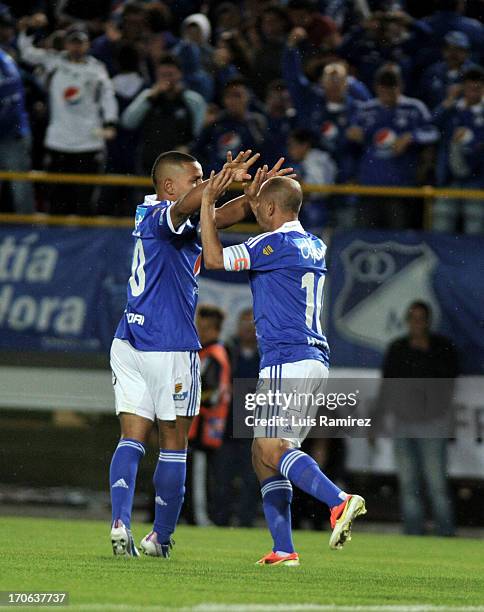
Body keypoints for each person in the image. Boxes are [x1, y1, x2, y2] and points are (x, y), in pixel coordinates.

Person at [108, 150, 294, 558]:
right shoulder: (163, 215)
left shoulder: (160, 217)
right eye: (194, 179)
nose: (202, 183)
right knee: (174, 443)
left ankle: (120, 521)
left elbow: (216, 216)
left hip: (129, 341)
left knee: (132, 437)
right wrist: (214, 186)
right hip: (168, 344)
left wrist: (250, 198)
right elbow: (193, 205)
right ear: (169, 187)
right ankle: (160, 537)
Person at [199, 166, 366, 566]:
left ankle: (339, 501)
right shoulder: (314, 244)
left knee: (273, 448)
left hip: (286, 360)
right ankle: (283, 548)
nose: (256, 213)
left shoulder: (271, 246)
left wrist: (208, 203)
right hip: (313, 361)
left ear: (272, 207)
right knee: (263, 453)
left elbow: (214, 257)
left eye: (260, 207)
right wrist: (253, 199)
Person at [18, 21, 118, 215]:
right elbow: (26, 53)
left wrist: (110, 123)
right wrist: (28, 30)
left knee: (85, 201)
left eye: (80, 42)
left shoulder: (97, 69)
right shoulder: (53, 62)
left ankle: (86, 244)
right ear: (66, 44)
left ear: (87, 44)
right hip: (59, 141)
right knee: (57, 200)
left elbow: (108, 96)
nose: (76, 47)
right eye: (73, 42)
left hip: (88, 143)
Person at [381, 301, 458, 536]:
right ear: (407, 320)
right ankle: (413, 535)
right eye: (412, 317)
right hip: (403, 421)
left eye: (421, 318)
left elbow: (449, 382)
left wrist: (423, 352)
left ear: (428, 321)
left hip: (433, 422)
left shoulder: (441, 347)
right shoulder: (397, 348)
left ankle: (445, 534)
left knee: (436, 483)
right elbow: (386, 386)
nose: (416, 322)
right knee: (408, 484)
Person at [346, 65, 438, 228]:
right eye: (384, 88)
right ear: (376, 88)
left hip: (400, 189)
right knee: (365, 236)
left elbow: (433, 133)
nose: (388, 93)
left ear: (400, 86)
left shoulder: (414, 108)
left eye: (392, 87)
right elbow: (350, 138)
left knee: (398, 236)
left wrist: (411, 136)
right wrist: (353, 134)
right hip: (369, 187)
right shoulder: (366, 110)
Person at [212, 307, 260, 527]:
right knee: (222, 480)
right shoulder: (226, 351)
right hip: (227, 426)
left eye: (253, 324)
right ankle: (219, 521)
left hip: (254, 426)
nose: (248, 329)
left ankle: (245, 522)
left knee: (252, 480)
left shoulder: (267, 354)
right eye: (244, 323)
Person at [121, 54, 206, 175]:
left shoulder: (193, 100)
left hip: (181, 167)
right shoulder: (148, 96)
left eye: (170, 75)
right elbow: (128, 122)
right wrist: (150, 98)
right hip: (150, 165)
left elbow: (200, 134)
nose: (167, 79)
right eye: (162, 75)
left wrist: (188, 148)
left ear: (179, 75)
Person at [187, 305, 231, 526]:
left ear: (213, 328)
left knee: (199, 476)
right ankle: (194, 515)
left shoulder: (213, 355)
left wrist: (183, 399)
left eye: (202, 327)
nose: (198, 331)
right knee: (198, 474)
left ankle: (202, 518)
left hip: (203, 427)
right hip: (202, 427)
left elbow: (213, 394)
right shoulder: (206, 353)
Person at [432, 66, 484, 235]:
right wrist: (447, 102)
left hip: (477, 181)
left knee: (475, 231)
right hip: (448, 179)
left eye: (478, 88)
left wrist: (474, 142)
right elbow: (430, 126)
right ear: (463, 88)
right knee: (440, 228)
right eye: (469, 88)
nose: (473, 92)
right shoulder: (451, 109)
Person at [192, 78, 266, 171]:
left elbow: (266, 153)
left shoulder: (257, 123)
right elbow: (197, 151)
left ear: (248, 97)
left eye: (237, 95)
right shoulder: (215, 123)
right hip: (218, 181)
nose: (233, 101)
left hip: (248, 181)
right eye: (229, 96)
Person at [0, 47, 35, 213]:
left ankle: (29, 233)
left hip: (12, 135)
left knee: (20, 188)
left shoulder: (4, 62)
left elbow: (10, 103)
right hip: (10, 132)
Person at [418, 31, 473, 110]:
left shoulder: (476, 73)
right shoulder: (432, 72)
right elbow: (423, 99)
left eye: (458, 50)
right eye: (449, 49)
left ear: (466, 52)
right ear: (443, 51)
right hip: (436, 117)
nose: (453, 54)